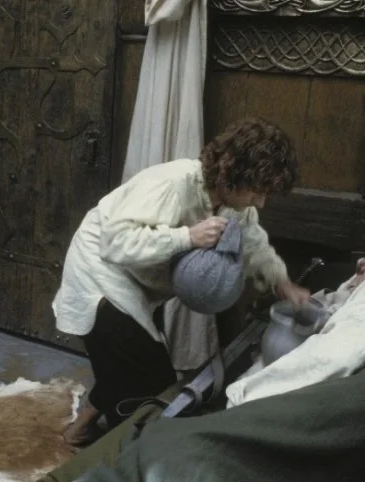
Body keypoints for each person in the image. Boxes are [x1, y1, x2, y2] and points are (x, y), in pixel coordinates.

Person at [53, 117, 311, 446]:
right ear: (233, 172)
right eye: (257, 191)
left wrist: (281, 282)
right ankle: (122, 459)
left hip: (138, 282)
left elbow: (253, 244)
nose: (260, 202)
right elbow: (115, 242)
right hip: (99, 274)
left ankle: (79, 429)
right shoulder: (173, 182)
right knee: (151, 385)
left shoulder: (234, 205)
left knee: (131, 362)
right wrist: (187, 237)